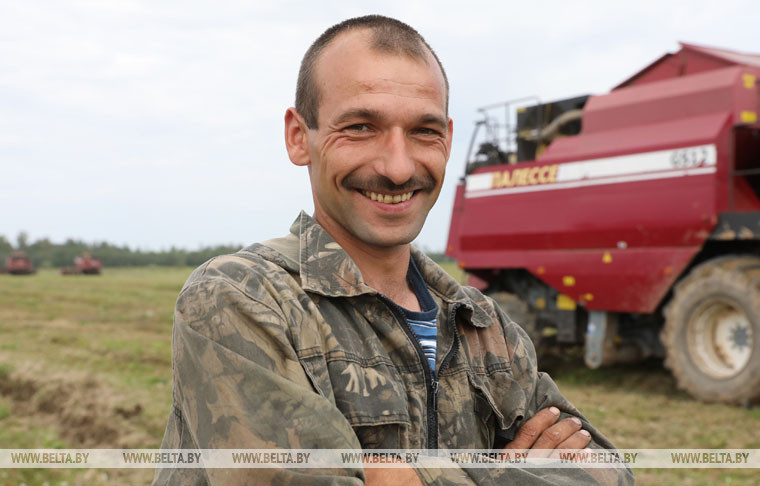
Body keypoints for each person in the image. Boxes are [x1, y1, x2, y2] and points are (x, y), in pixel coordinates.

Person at [154, 15, 632, 485]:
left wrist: (402, 477)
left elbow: (610, 474)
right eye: (361, 126)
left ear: (446, 137)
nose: (399, 168)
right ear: (299, 137)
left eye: (424, 131)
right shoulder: (243, 299)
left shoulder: (484, 325)